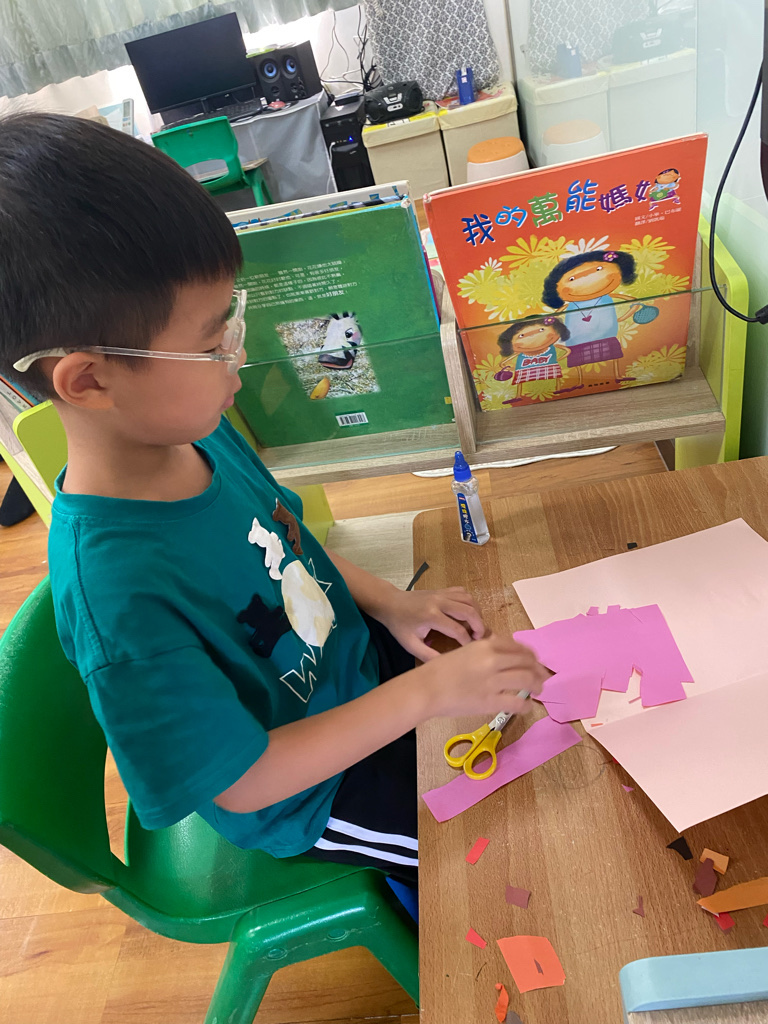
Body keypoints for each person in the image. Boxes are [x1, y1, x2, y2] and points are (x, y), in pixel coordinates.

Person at [0, 113, 546, 887]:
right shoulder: (119, 598)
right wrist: (426, 694)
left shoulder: (197, 431)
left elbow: (291, 550)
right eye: (211, 342)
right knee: (500, 864)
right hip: (309, 789)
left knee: (516, 694)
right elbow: (241, 782)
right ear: (89, 380)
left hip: (353, 670)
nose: (240, 354)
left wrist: (392, 605)